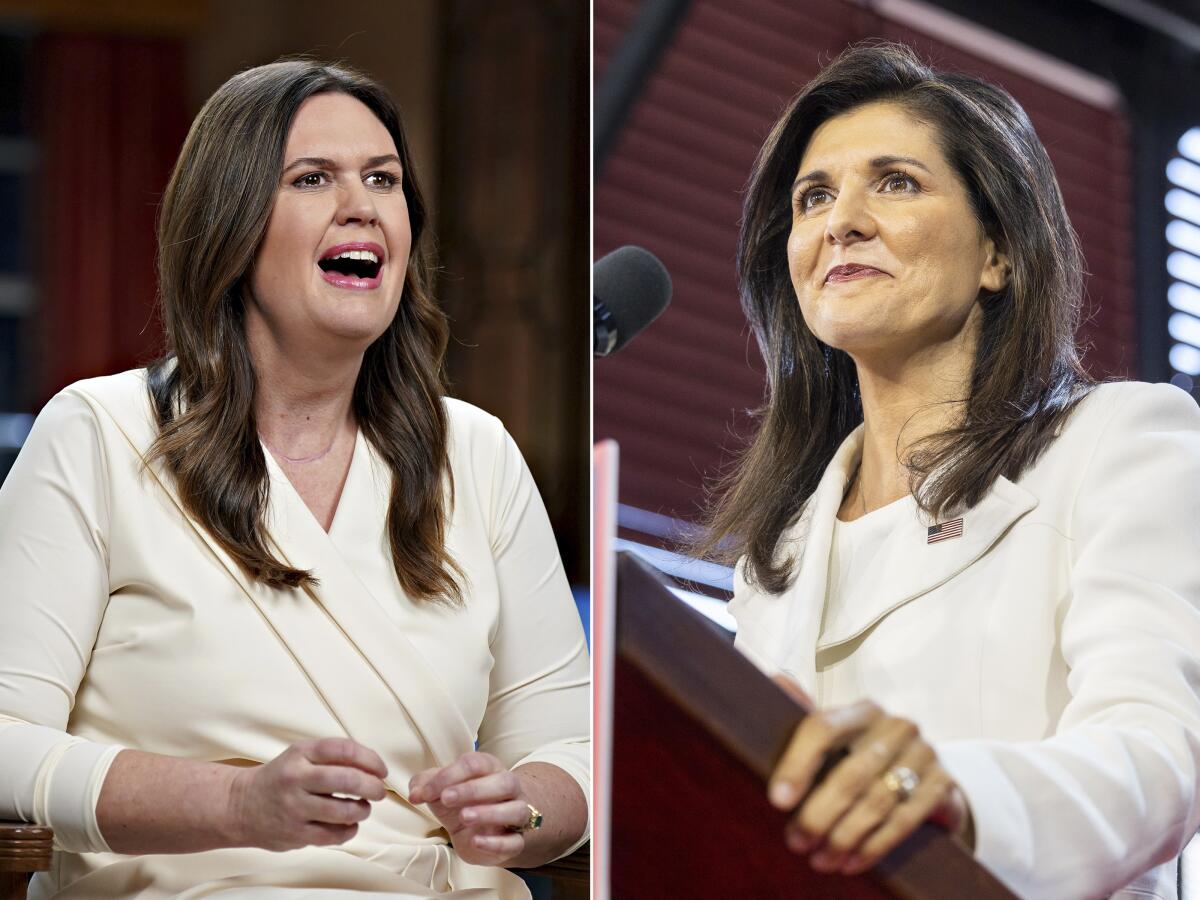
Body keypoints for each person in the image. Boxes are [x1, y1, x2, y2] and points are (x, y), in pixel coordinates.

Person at [0, 59, 589, 899]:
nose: (363, 205)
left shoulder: (478, 455)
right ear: (229, 228)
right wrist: (235, 803)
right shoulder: (99, 432)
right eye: (313, 178)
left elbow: (573, 752)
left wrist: (521, 808)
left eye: (383, 179)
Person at [699, 42, 1200, 899]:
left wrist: (959, 799)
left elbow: (1160, 749)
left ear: (998, 252)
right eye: (813, 197)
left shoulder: (1120, 444)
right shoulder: (773, 558)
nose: (839, 222)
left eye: (895, 182)